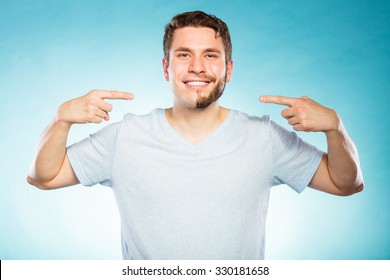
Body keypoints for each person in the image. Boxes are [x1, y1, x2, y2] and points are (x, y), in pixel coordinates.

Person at [27, 11, 364, 260]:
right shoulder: (124, 137)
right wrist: (60, 121)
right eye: (184, 55)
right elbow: (44, 176)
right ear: (166, 68)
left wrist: (336, 128)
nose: (198, 67)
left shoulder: (265, 137)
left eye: (210, 55)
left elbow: (345, 184)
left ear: (228, 70)